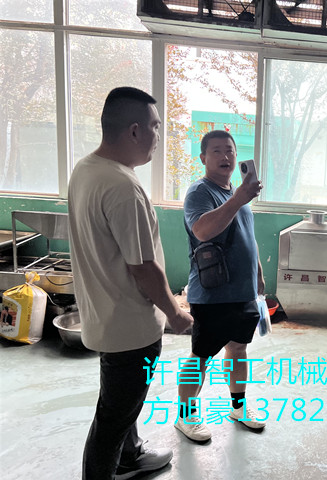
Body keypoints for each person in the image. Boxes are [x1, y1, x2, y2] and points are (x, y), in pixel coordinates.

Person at [68, 86, 193, 479]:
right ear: (135, 131)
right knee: (114, 416)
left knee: (122, 402)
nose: (158, 136)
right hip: (130, 327)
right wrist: (175, 313)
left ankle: (130, 456)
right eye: (155, 127)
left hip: (105, 316)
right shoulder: (124, 188)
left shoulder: (86, 169)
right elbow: (144, 268)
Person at [175, 130, 265, 442]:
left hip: (243, 291)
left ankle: (238, 408)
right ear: (203, 158)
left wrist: (258, 272)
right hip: (213, 294)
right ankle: (185, 416)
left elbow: (247, 236)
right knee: (201, 356)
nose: (225, 156)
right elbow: (202, 230)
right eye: (216, 151)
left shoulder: (236, 193)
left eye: (229, 150)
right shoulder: (200, 192)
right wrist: (240, 198)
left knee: (238, 349)